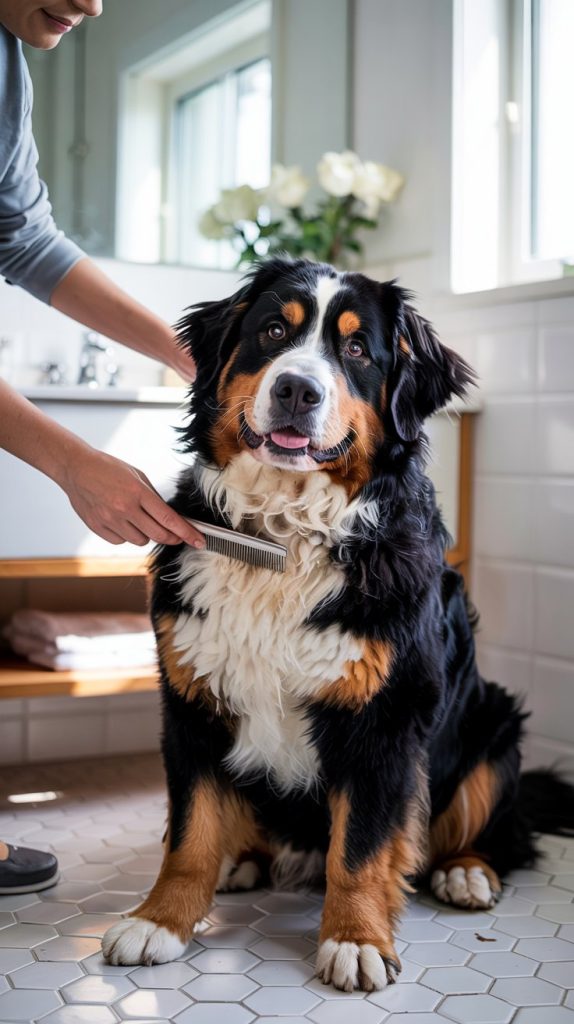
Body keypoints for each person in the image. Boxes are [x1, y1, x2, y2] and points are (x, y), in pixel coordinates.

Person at [0, 0, 204, 894]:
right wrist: (71, 460)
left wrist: (185, 351)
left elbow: (24, 237)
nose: (91, 2)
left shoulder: (6, 63)